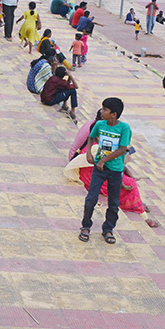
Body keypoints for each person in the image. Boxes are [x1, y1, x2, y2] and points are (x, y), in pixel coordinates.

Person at [63, 110, 145, 214]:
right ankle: (138, 209)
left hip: (82, 159)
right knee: (127, 181)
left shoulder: (94, 126)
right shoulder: (98, 132)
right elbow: (102, 158)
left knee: (120, 169)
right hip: (84, 165)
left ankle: (136, 203)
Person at [78, 97, 131, 245]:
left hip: (115, 170)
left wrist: (103, 160)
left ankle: (108, 229)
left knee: (113, 202)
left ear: (113, 114)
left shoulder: (124, 129)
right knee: (91, 199)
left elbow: (122, 149)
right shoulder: (100, 125)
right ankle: (86, 226)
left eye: (105, 110)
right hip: (99, 169)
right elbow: (91, 138)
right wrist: (88, 152)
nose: (102, 111)